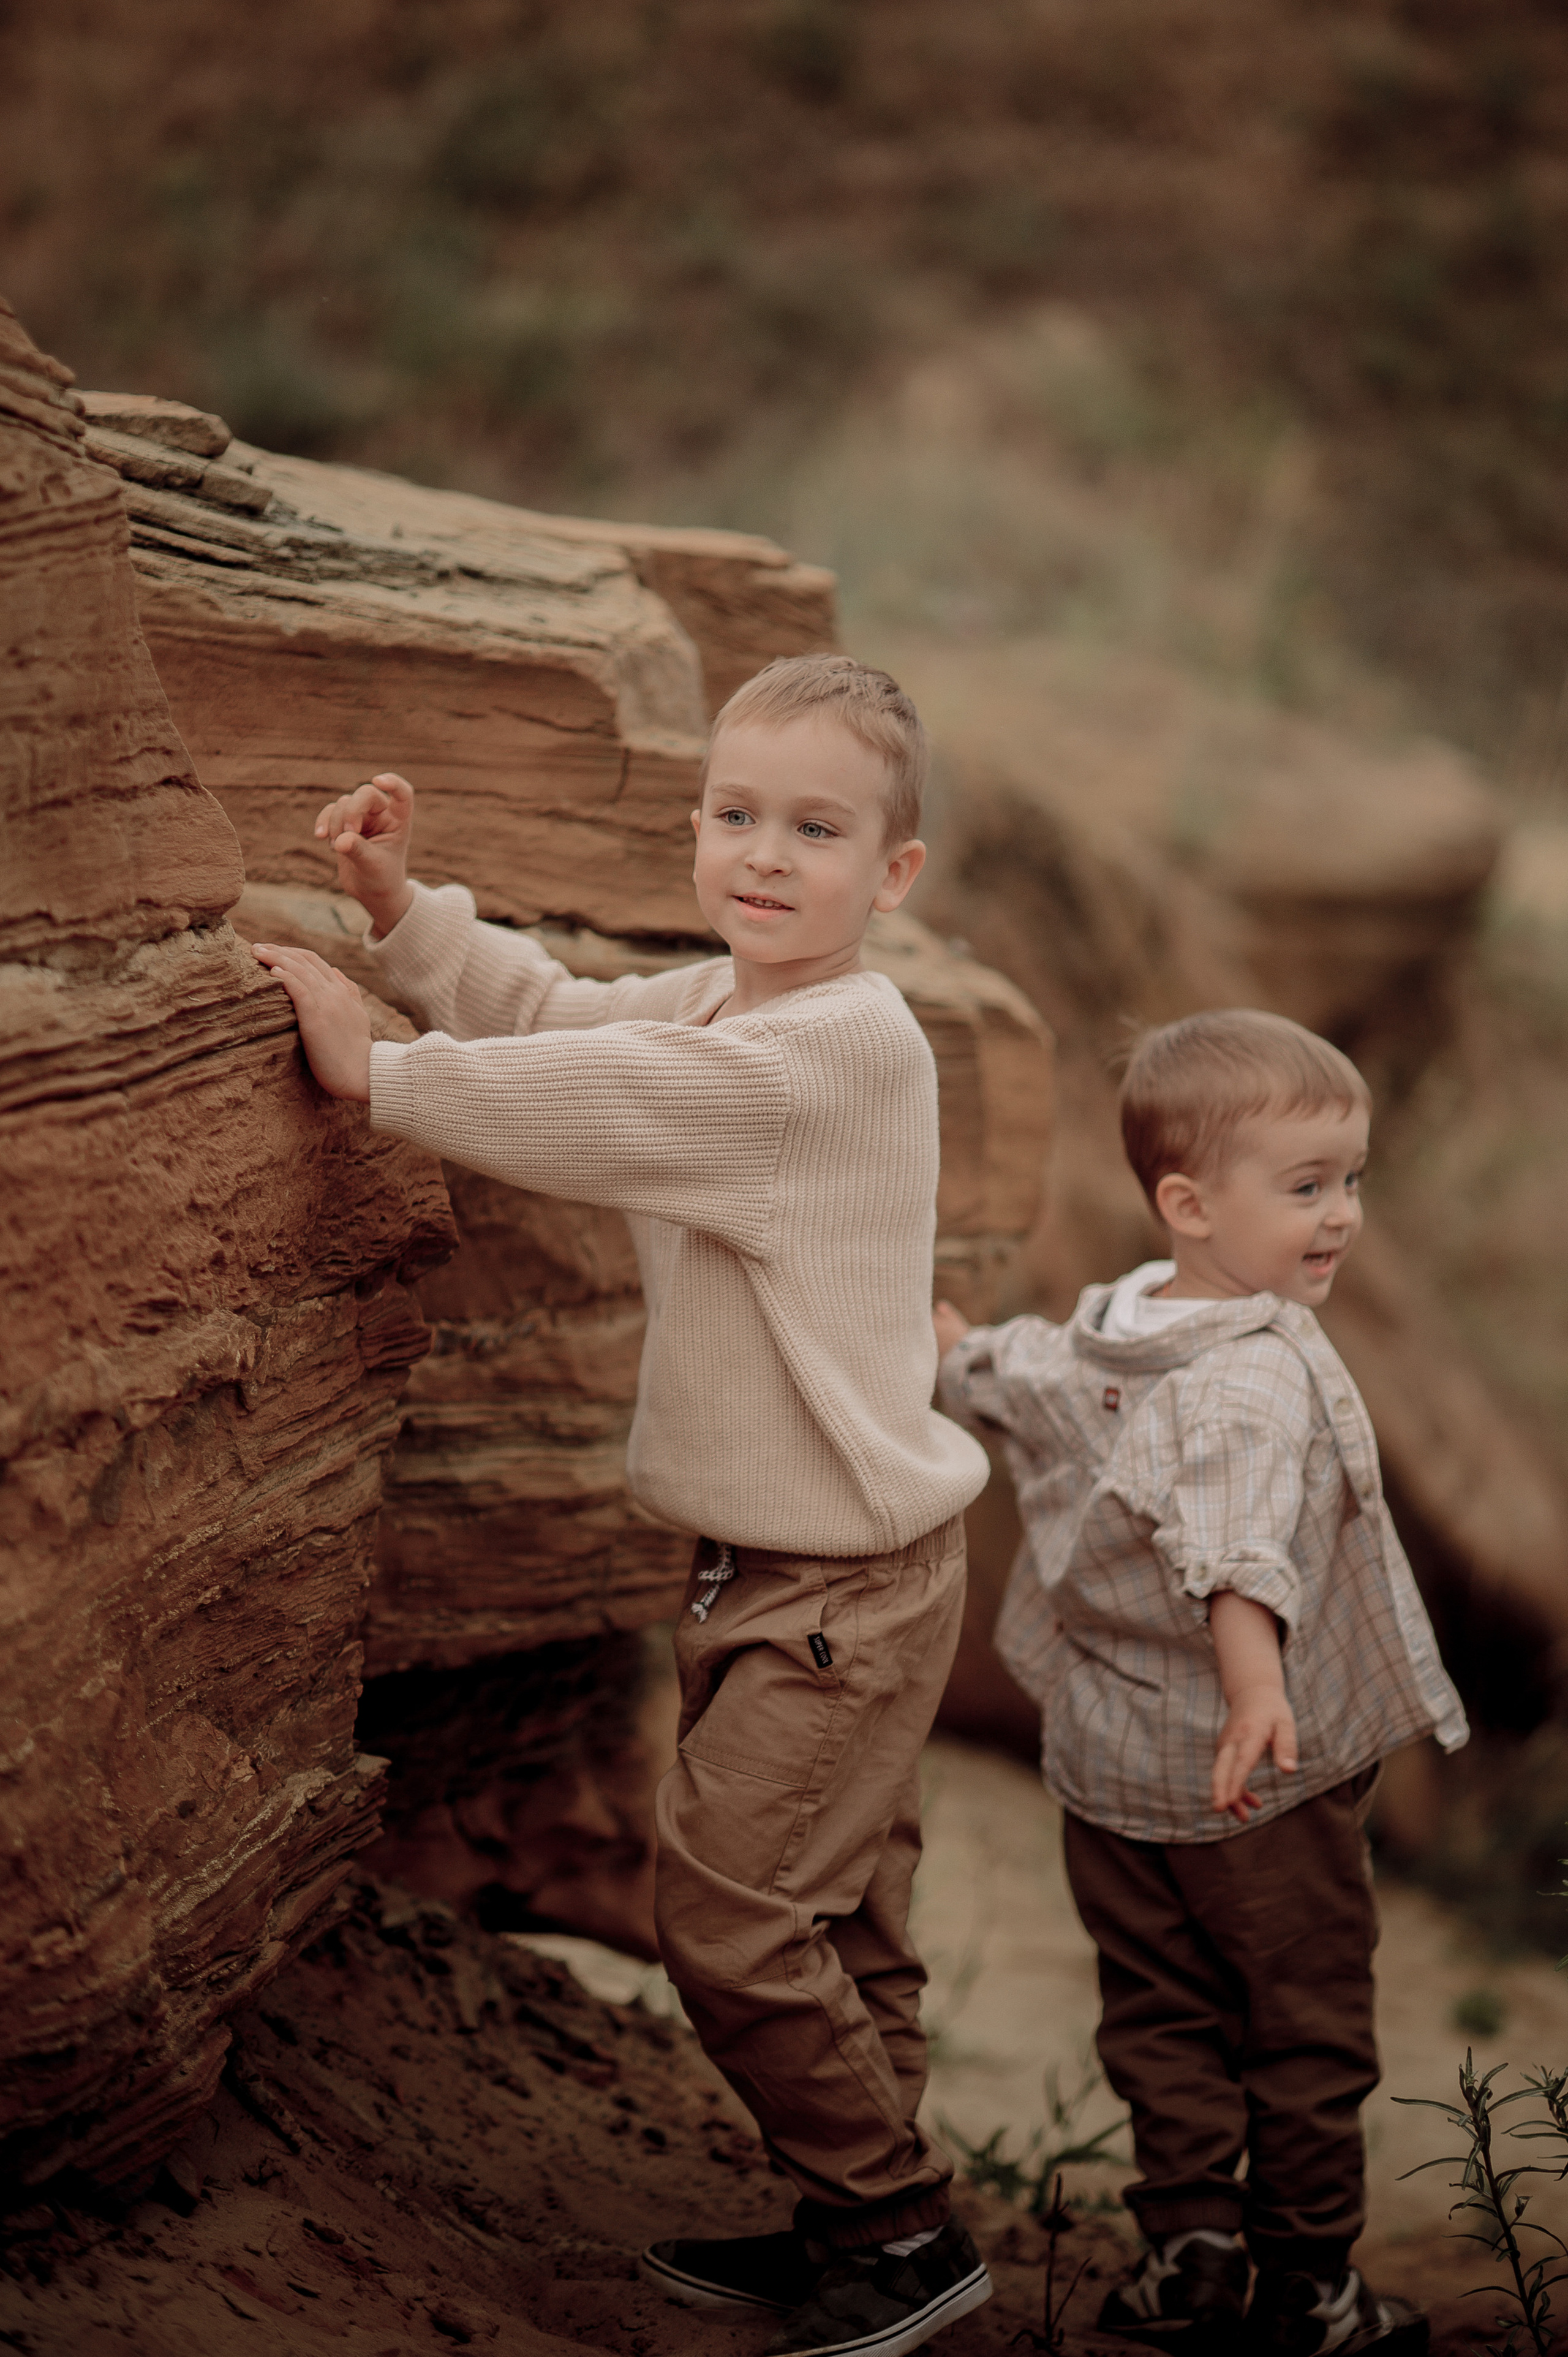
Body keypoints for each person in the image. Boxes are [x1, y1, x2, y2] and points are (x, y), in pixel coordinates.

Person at [251, 654, 995, 2357]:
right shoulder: (740, 1004)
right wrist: (406, 915)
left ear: (893, 877)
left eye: (816, 829)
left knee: (730, 1911)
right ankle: (872, 2219)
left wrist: (380, 1070)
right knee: (843, 1911)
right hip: (797, 1568)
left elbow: (578, 1104)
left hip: (837, 1591)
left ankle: (894, 2228)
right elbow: (564, 1019)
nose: (763, 853)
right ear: (698, 824)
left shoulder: (823, 1055)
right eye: (737, 814)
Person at [934, 1010, 1467, 2357]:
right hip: (1252, 1778)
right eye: (1304, 1188)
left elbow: (1022, 1372)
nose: (1340, 1214)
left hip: (1111, 1767)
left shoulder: (1115, 1332)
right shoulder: (1244, 1379)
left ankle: (1187, 2259)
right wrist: (1254, 1687)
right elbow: (1232, 1547)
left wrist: (949, 1353)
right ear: (1187, 1201)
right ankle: (1305, 2289)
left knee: (1157, 2012)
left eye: (1348, 1178)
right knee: (1301, 2028)